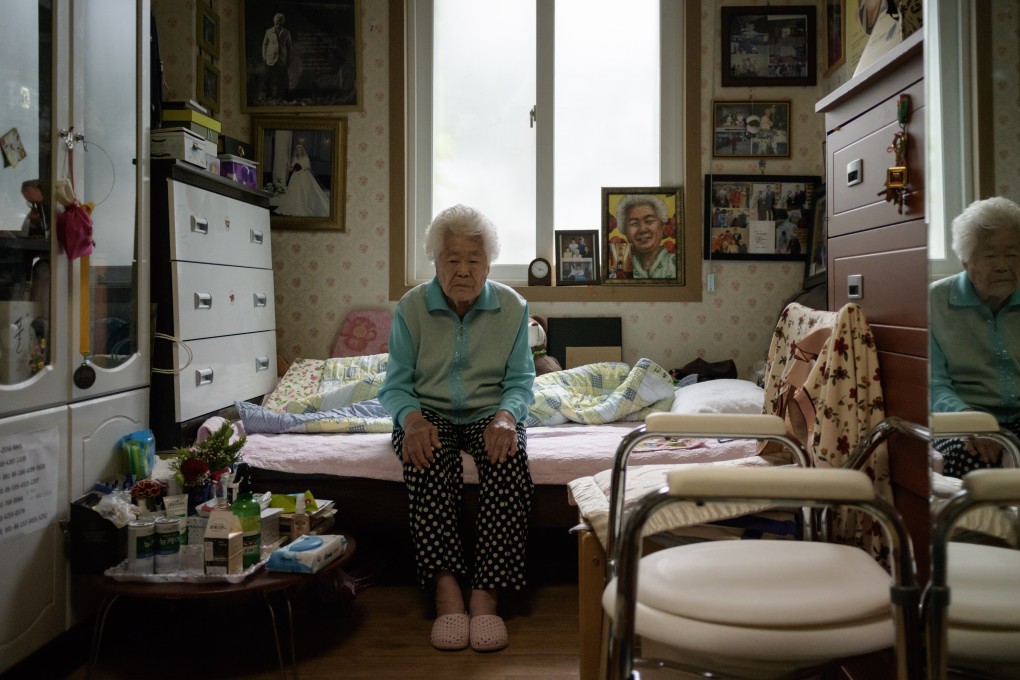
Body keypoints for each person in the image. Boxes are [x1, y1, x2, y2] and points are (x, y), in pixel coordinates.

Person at [377, 204, 536, 653]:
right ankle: (447, 594)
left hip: (490, 409)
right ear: (436, 262)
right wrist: (411, 420)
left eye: (474, 259)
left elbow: (522, 381)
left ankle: (485, 597)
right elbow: (394, 386)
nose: (463, 269)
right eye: (452, 258)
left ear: (488, 264)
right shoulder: (412, 307)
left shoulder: (513, 307)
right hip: (428, 411)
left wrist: (507, 415)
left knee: (509, 462)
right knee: (426, 461)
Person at [930, 196, 1020, 478]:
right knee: (973, 464)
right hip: (961, 420)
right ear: (966, 261)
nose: (1003, 265)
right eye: (991, 255)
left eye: (1014, 254)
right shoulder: (934, 302)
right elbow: (934, 385)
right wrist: (974, 423)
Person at [616, 194, 676, 279]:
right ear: (624, 230)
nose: (642, 229)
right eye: (634, 223)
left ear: (662, 225)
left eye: (649, 221)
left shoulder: (676, 264)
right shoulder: (619, 264)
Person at [275, 145, 329, 217]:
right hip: (295, 176)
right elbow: (291, 169)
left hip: (304, 176)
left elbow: (307, 167)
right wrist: (288, 165)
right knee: (293, 191)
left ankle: (305, 206)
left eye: (299, 150)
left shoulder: (305, 158)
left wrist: (300, 169)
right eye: (297, 150)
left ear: (302, 151)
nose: (298, 151)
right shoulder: (295, 158)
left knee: (303, 191)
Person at [262, 13, 293, 103]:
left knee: (281, 79)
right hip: (270, 59)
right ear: (274, 22)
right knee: (269, 78)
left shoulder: (287, 33)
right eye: (277, 23)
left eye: (280, 23)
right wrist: (264, 57)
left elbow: (290, 47)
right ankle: (269, 96)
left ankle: (281, 97)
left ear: (283, 23)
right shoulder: (268, 31)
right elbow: (264, 44)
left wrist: (289, 59)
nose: (279, 25)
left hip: (281, 59)